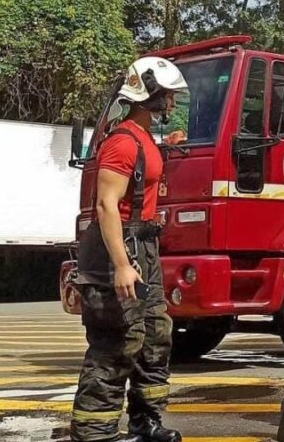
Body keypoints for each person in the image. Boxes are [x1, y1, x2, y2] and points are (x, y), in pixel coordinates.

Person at [69, 57, 188, 442]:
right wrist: (122, 264)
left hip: (144, 247)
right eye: (167, 96)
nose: (171, 104)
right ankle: (94, 435)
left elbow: (139, 180)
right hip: (119, 250)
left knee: (154, 337)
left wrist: (164, 148)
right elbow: (107, 206)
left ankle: (145, 423)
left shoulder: (142, 138)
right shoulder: (122, 142)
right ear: (150, 95)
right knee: (116, 343)